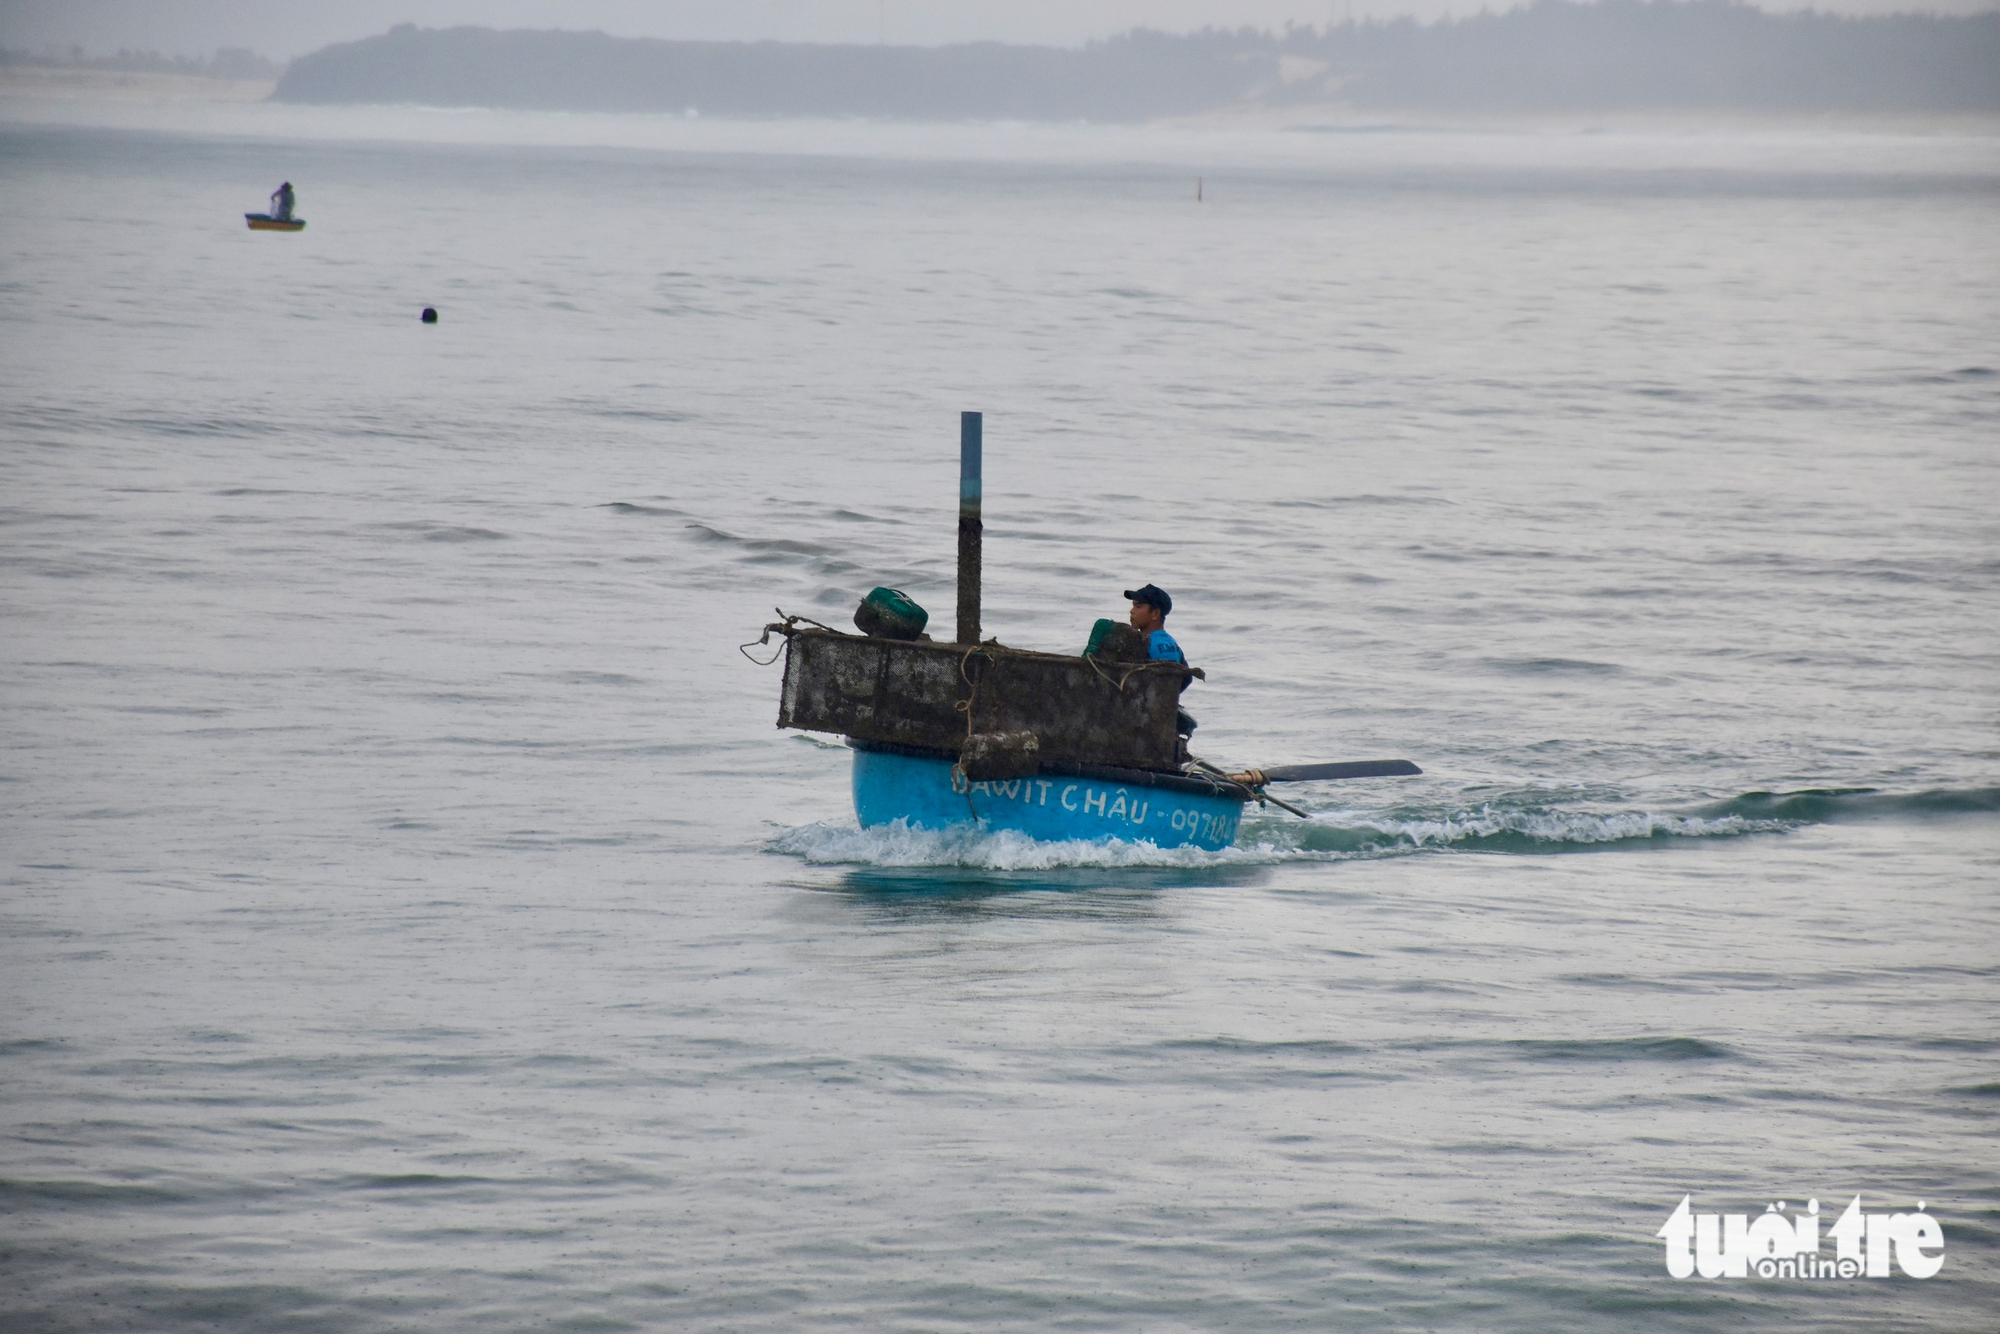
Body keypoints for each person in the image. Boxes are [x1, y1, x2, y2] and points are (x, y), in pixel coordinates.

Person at [1124, 583, 1200, 744]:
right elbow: (1186, 678)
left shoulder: (1142, 642)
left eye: (1139, 606)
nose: (1132, 611)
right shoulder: (1173, 645)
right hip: (1164, 712)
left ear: (1155, 614)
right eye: (1133, 606)